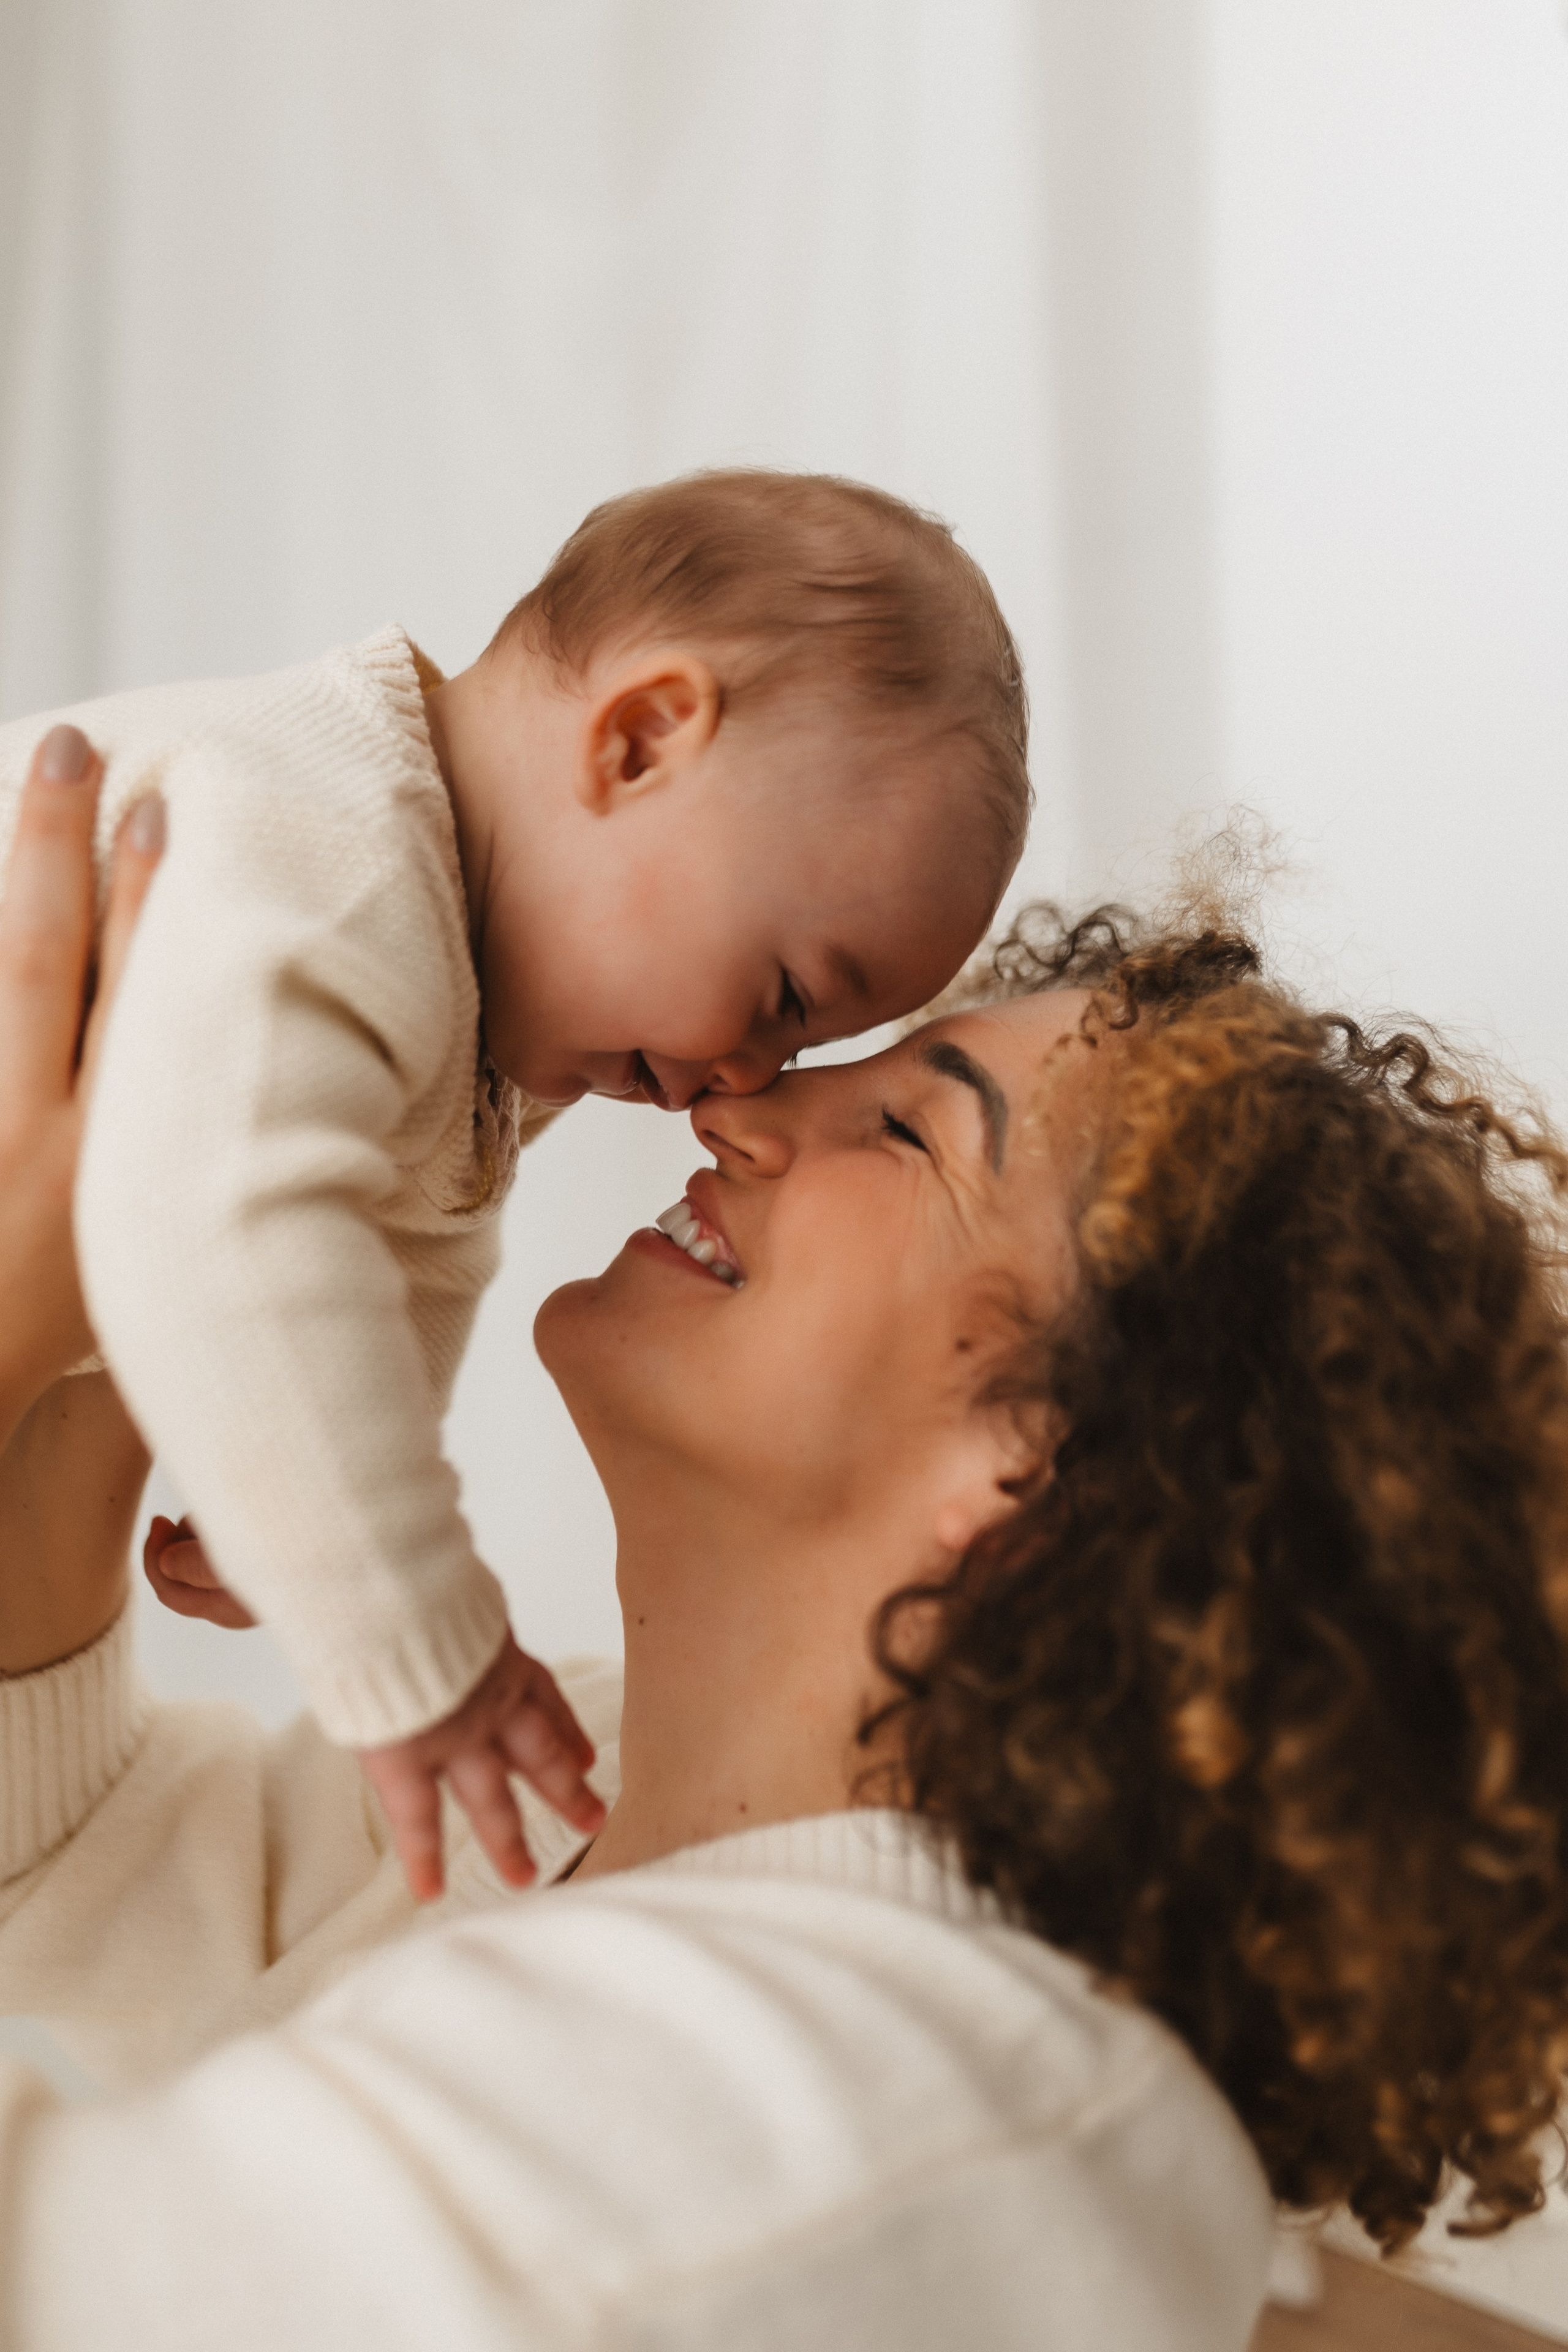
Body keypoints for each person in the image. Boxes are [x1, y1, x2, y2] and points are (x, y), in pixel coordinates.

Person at [3, 739, 1567, 2352]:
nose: (744, 1099)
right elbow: (76, 1866)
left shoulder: (858, 2110)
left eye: (910, 1136)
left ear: (1046, 1464)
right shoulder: (577, 1792)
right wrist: (134, 1277)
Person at [0, 471, 1026, 1899]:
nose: (742, 1078)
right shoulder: (341, 860)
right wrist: (414, 1632)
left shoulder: (461, 984)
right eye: (784, 993)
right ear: (642, 737)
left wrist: (308, 1481)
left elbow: (408, 1241)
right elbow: (232, 1227)